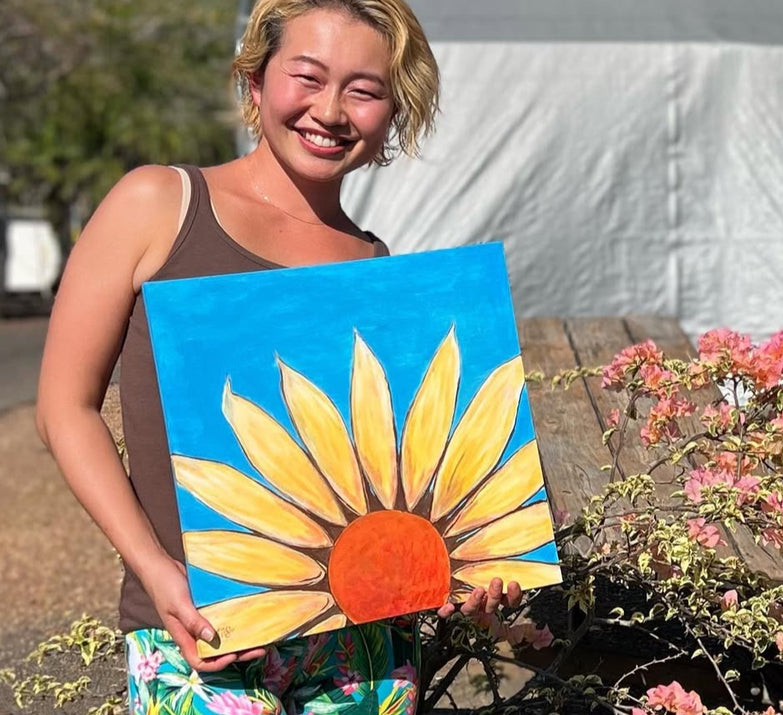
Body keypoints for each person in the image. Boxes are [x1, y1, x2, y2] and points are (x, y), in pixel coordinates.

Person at [36, 1, 522, 712]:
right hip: (198, 638)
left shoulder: (373, 263)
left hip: (366, 651)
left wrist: (473, 567)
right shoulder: (156, 206)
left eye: (364, 89)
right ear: (257, 80)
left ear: (391, 114)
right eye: (308, 76)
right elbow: (63, 409)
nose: (330, 110)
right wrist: (158, 572)